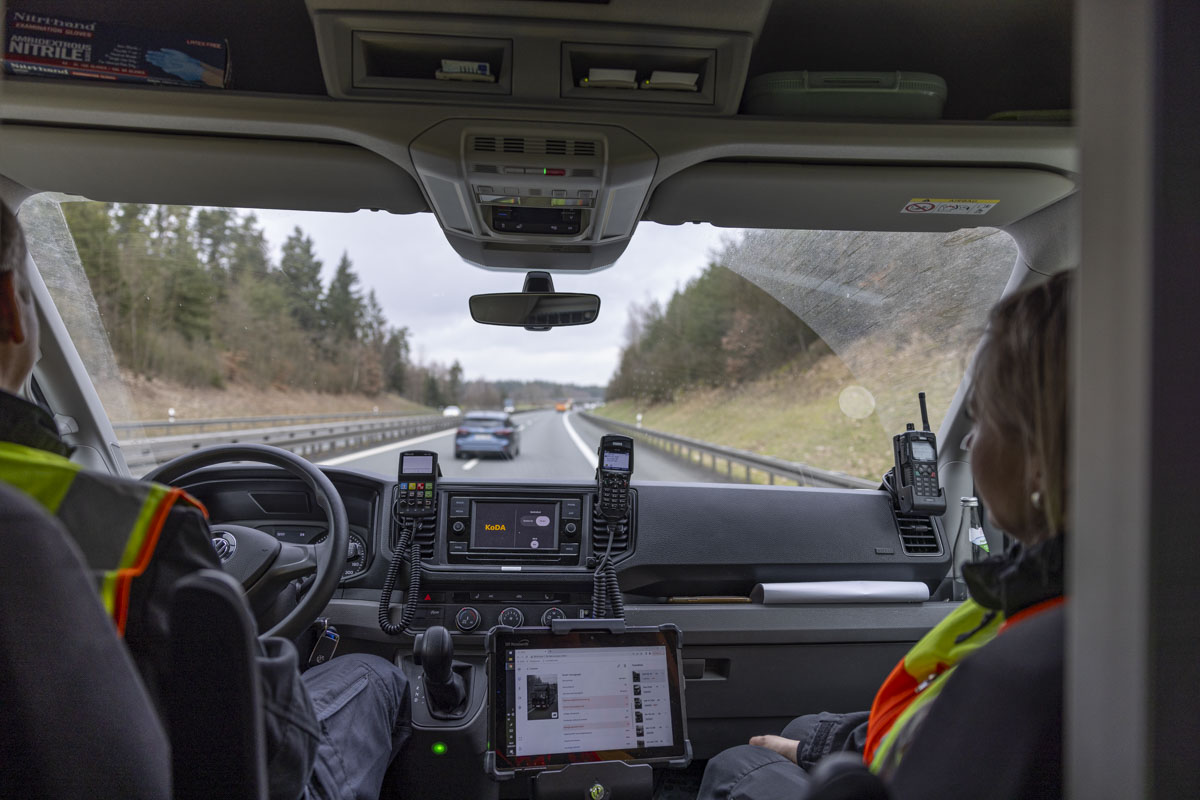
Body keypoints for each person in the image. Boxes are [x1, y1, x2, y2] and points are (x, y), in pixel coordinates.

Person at [0, 198, 410, 800]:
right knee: (376, 674)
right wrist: (263, 653)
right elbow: (272, 757)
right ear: (11, 308)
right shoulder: (142, 526)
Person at [699, 271, 1072, 799]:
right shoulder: (1082, 605)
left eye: (983, 417)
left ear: (1038, 458)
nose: (969, 442)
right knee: (805, 729)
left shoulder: (1020, 676)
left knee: (737, 765)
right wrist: (818, 746)